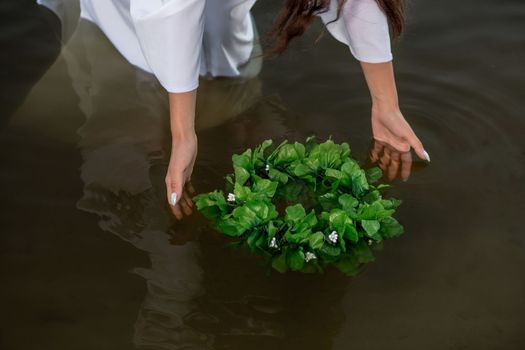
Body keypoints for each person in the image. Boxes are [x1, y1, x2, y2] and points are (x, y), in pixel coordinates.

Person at [76, 0, 430, 219]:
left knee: (228, 68)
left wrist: (386, 104)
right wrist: (183, 134)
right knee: (134, 83)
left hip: (223, 23)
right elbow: (169, 9)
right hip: (136, 12)